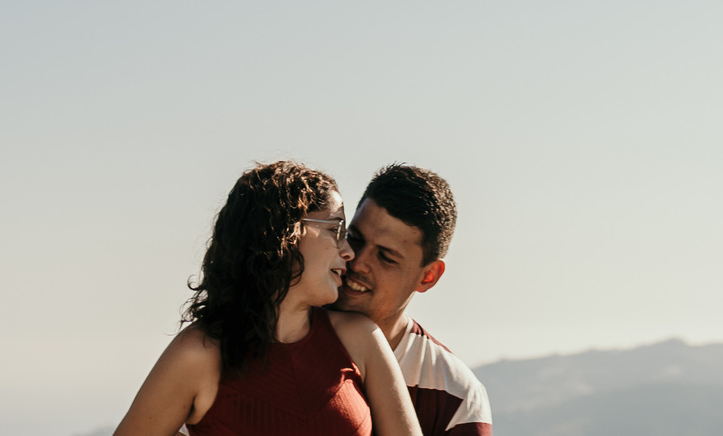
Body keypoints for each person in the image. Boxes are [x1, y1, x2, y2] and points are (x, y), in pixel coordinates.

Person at [111, 160, 425, 436]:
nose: (348, 251)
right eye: (335, 229)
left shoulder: (361, 340)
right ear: (284, 233)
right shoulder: (198, 354)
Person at [333, 166, 491, 436]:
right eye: (355, 239)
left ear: (428, 277)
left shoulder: (455, 394)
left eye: (386, 257)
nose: (358, 262)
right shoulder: (274, 334)